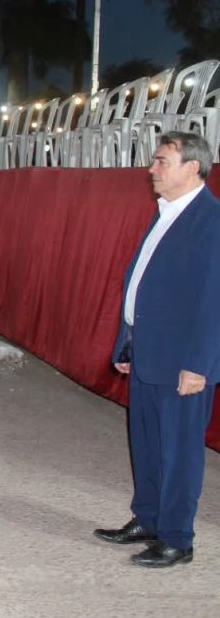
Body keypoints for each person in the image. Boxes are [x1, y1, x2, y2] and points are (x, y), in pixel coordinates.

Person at [96, 131, 220, 568]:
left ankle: (176, 538)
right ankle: (147, 518)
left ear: (193, 168)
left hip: (183, 363)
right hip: (149, 353)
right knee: (146, 444)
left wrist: (199, 365)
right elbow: (142, 284)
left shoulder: (211, 220)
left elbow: (213, 300)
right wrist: (126, 342)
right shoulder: (166, 213)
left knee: (180, 452)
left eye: (162, 161)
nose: (152, 169)